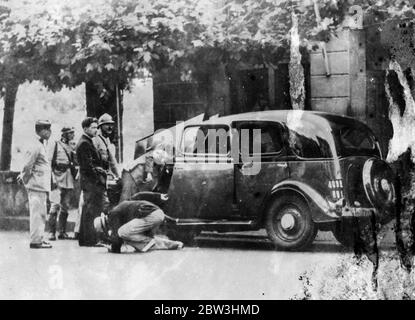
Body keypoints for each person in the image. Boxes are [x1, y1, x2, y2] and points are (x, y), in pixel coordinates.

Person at [94, 195, 183, 253]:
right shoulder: (120, 209)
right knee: (129, 236)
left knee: (122, 232)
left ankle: (148, 242)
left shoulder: (113, 215)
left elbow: (117, 237)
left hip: (150, 215)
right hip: (156, 214)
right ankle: (174, 244)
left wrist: (112, 249)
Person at [18, 120, 53, 249]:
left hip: (40, 184)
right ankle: (36, 240)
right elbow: (27, 165)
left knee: (41, 213)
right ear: (41, 131)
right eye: (47, 129)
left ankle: (38, 238)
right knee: (37, 213)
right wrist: (26, 179)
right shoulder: (35, 145)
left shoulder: (40, 144)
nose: (49, 132)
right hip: (36, 184)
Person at [75, 117, 107, 247]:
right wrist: (98, 177)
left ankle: (86, 239)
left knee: (89, 209)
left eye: (96, 127)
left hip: (89, 181)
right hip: (91, 182)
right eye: (93, 127)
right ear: (85, 129)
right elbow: (87, 166)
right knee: (91, 210)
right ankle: (90, 239)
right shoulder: (84, 143)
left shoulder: (87, 141)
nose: (96, 130)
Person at [48, 127, 78, 240]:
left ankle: (62, 232)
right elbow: (49, 162)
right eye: (70, 133)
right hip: (57, 176)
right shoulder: (55, 145)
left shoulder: (72, 146)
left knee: (65, 206)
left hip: (68, 177)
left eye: (73, 133)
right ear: (64, 134)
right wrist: (52, 179)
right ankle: (51, 232)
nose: (72, 135)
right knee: (55, 204)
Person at [94, 113, 120, 181]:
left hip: (104, 175)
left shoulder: (106, 139)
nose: (110, 127)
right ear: (100, 126)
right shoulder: (95, 139)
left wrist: (118, 175)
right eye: (107, 124)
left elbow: (112, 160)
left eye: (111, 125)